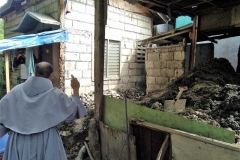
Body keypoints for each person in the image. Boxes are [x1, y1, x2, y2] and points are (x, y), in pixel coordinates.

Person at [0, 62, 87, 160]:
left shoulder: (16, 91)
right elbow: (75, 112)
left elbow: (3, 118)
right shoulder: (55, 95)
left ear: (34, 73)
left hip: (18, 142)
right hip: (46, 141)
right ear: (51, 75)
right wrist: (75, 89)